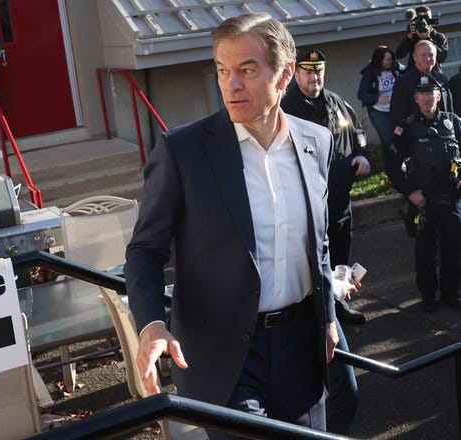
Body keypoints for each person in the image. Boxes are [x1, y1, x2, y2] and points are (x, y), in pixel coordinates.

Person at [125, 13, 339, 439]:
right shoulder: (182, 151)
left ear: (285, 76)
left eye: (246, 69)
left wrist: (328, 315)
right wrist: (151, 324)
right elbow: (144, 251)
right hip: (225, 356)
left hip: (301, 347)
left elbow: (319, 242)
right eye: (223, 70)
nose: (231, 84)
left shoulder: (317, 141)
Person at [281, 49, 371, 325]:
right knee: (311, 258)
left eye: (318, 70)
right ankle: (316, 313)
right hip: (306, 201)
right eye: (308, 71)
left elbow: (356, 131)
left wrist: (362, 154)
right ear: (296, 73)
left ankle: (339, 302)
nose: (314, 77)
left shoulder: (336, 102)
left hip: (338, 196)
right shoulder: (286, 108)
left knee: (341, 251)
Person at [385, 74, 461, 313]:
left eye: (432, 94)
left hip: (451, 198)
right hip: (422, 202)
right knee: (425, 253)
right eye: (423, 95)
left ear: (439, 96)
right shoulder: (406, 129)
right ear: (416, 98)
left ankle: (451, 292)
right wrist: (409, 193)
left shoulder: (454, 122)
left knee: (454, 250)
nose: (428, 98)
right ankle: (428, 296)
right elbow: (391, 164)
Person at [389, 40, 453, 132]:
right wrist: (401, 141)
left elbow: (450, 111)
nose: (427, 58)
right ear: (415, 57)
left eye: (431, 55)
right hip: (417, 139)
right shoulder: (403, 82)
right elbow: (397, 117)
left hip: (444, 135)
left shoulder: (442, 79)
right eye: (423, 55)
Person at [357, 46, 403, 164]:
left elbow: (408, 71)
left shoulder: (396, 67)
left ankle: (403, 161)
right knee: (388, 139)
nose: (390, 61)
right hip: (378, 111)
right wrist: (377, 98)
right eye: (387, 59)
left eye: (391, 59)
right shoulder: (370, 73)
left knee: (400, 134)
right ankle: (391, 165)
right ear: (379, 60)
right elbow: (361, 94)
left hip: (395, 109)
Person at [395, 5, 448, 73]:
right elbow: (399, 55)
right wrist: (409, 36)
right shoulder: (412, 36)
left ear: (431, 19)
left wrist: (428, 38)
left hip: (433, 74)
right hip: (414, 76)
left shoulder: (439, 37)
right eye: (421, 18)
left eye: (427, 18)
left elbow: (441, 58)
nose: (424, 21)